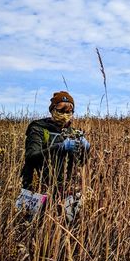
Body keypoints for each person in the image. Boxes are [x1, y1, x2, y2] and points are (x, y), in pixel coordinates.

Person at [18, 91, 90, 220]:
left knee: (68, 224)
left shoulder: (73, 133)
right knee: (32, 225)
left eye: (69, 111)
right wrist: (60, 147)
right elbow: (31, 156)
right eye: (61, 110)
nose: (65, 114)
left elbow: (80, 163)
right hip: (37, 186)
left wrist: (86, 150)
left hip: (65, 187)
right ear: (52, 110)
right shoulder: (38, 128)